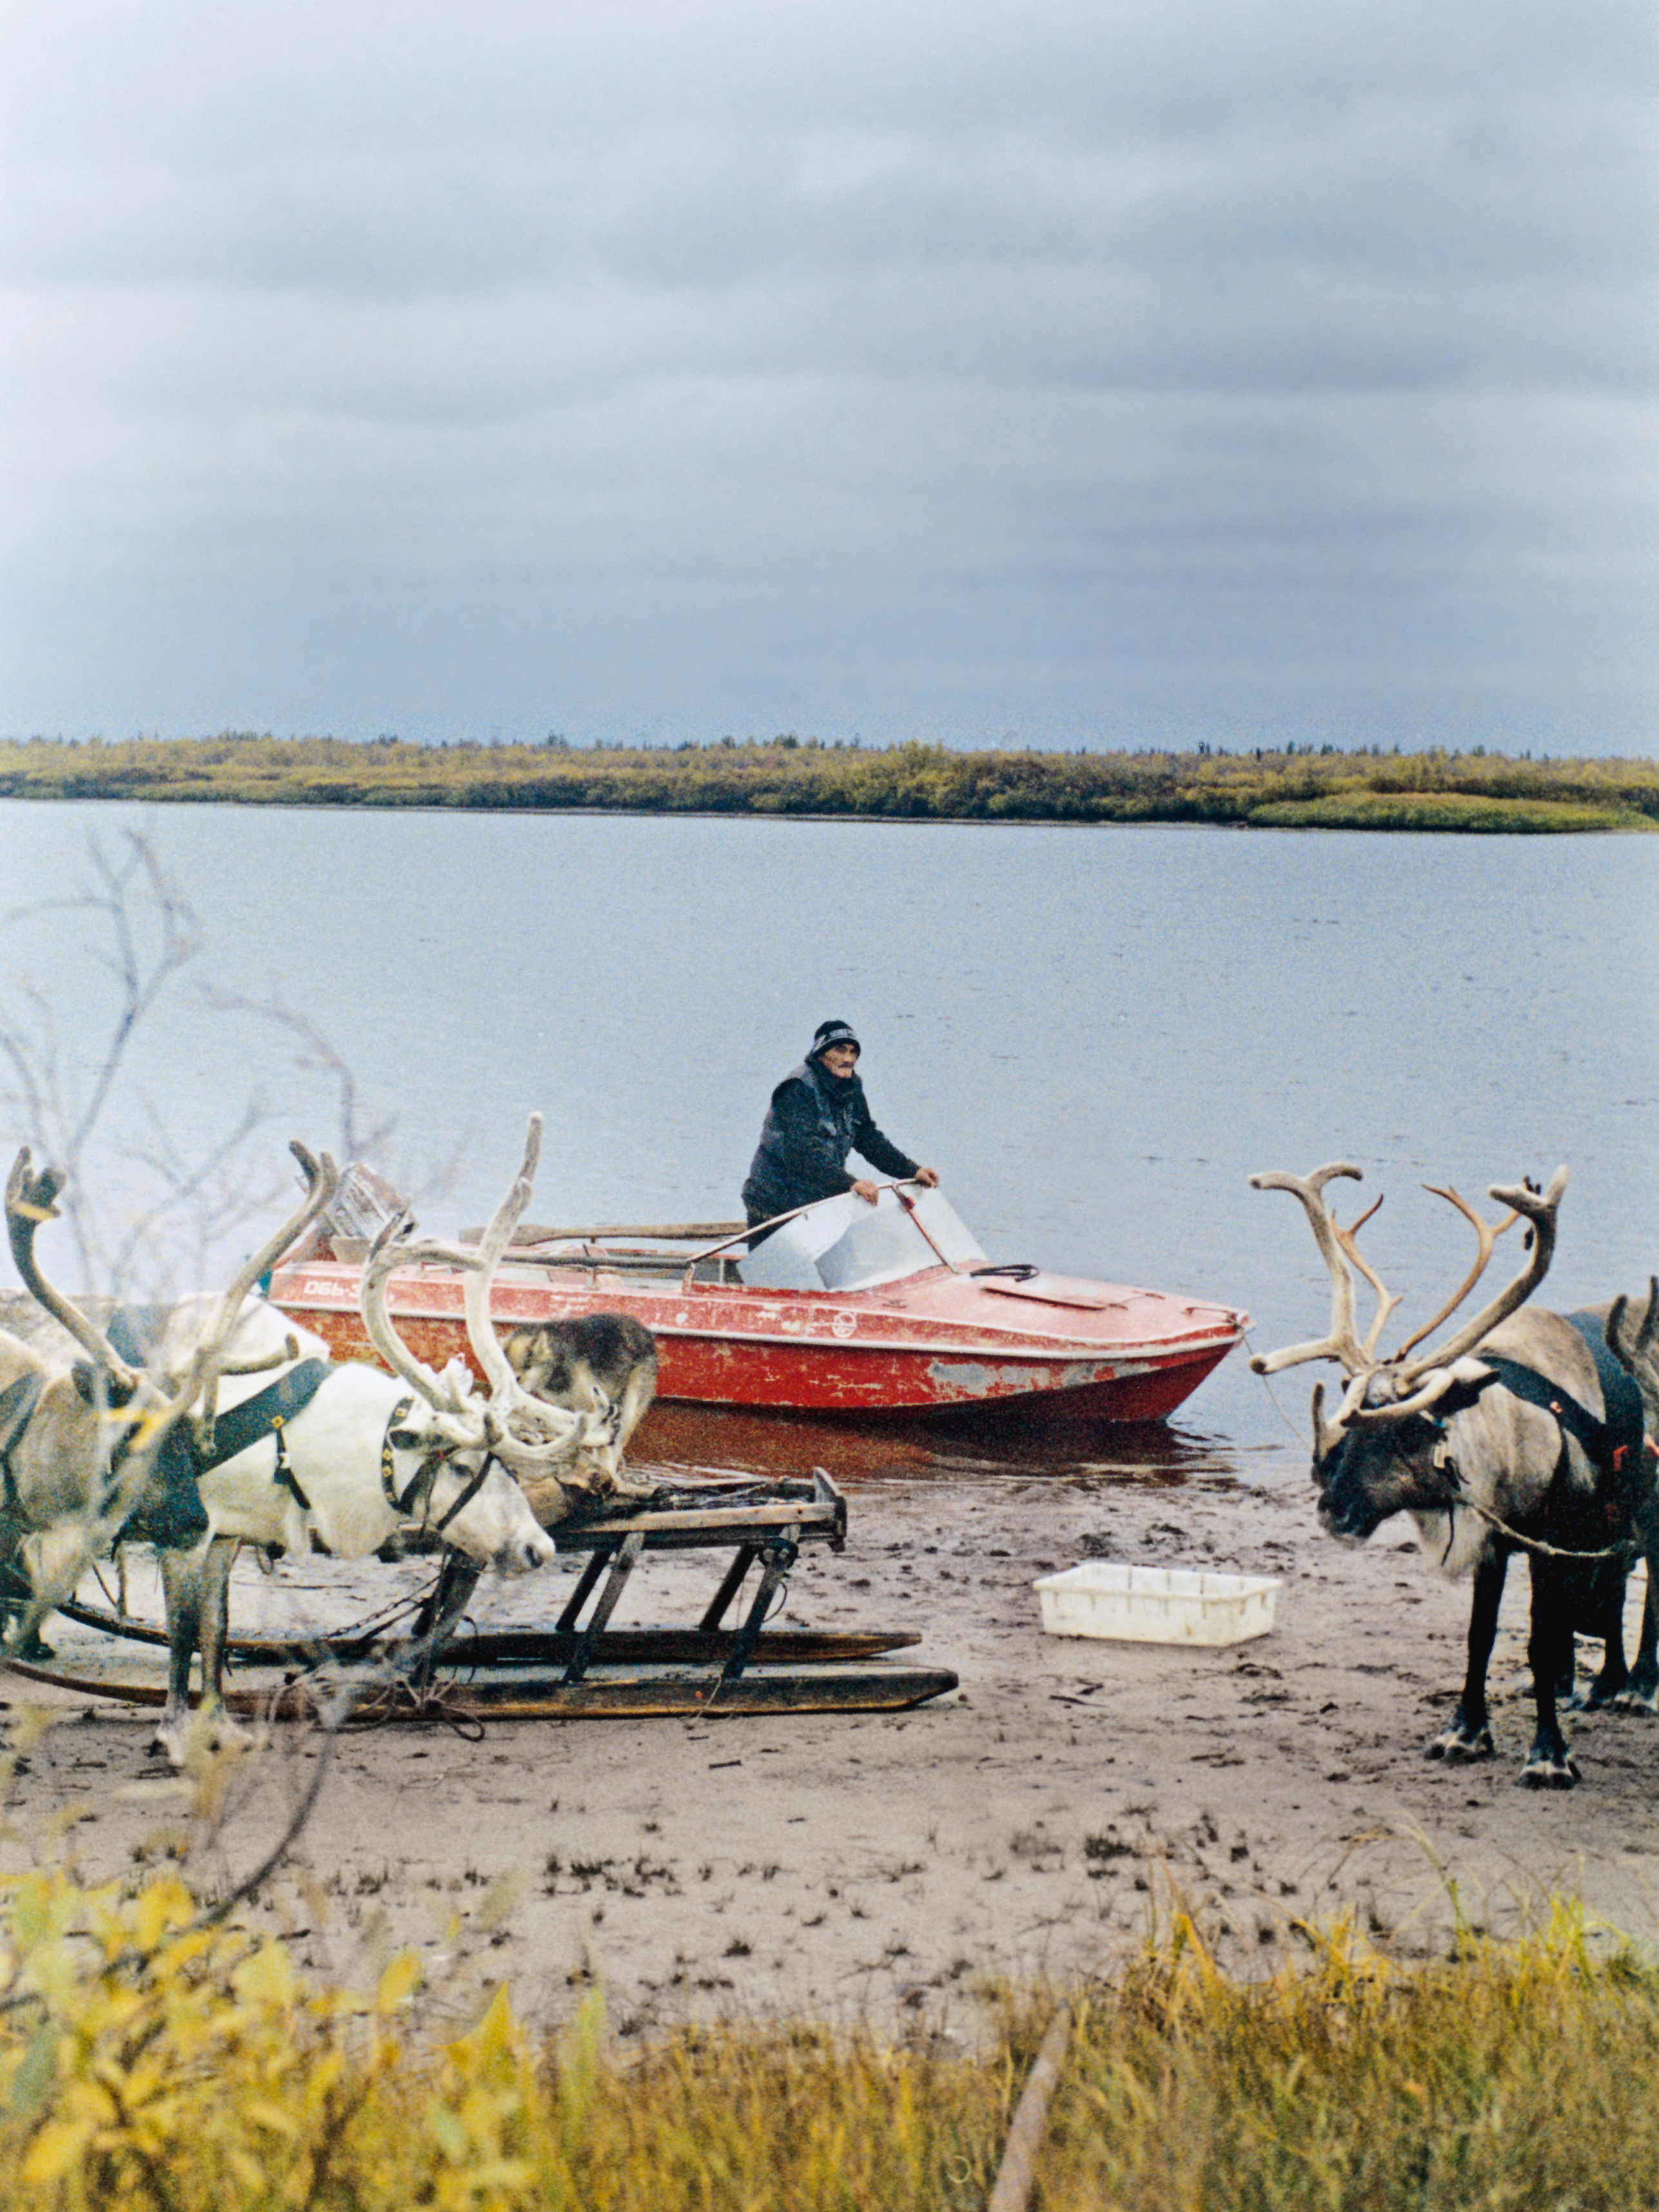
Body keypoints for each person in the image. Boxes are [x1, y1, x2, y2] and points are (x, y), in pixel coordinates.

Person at [742, 1018, 940, 1228]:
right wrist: (850, 1184)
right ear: (821, 1053)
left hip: (816, 1201)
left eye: (853, 1052)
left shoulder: (852, 1088)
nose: (848, 1059)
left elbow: (868, 1139)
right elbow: (803, 1153)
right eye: (840, 1050)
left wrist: (912, 1170)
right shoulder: (797, 1089)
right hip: (773, 1204)